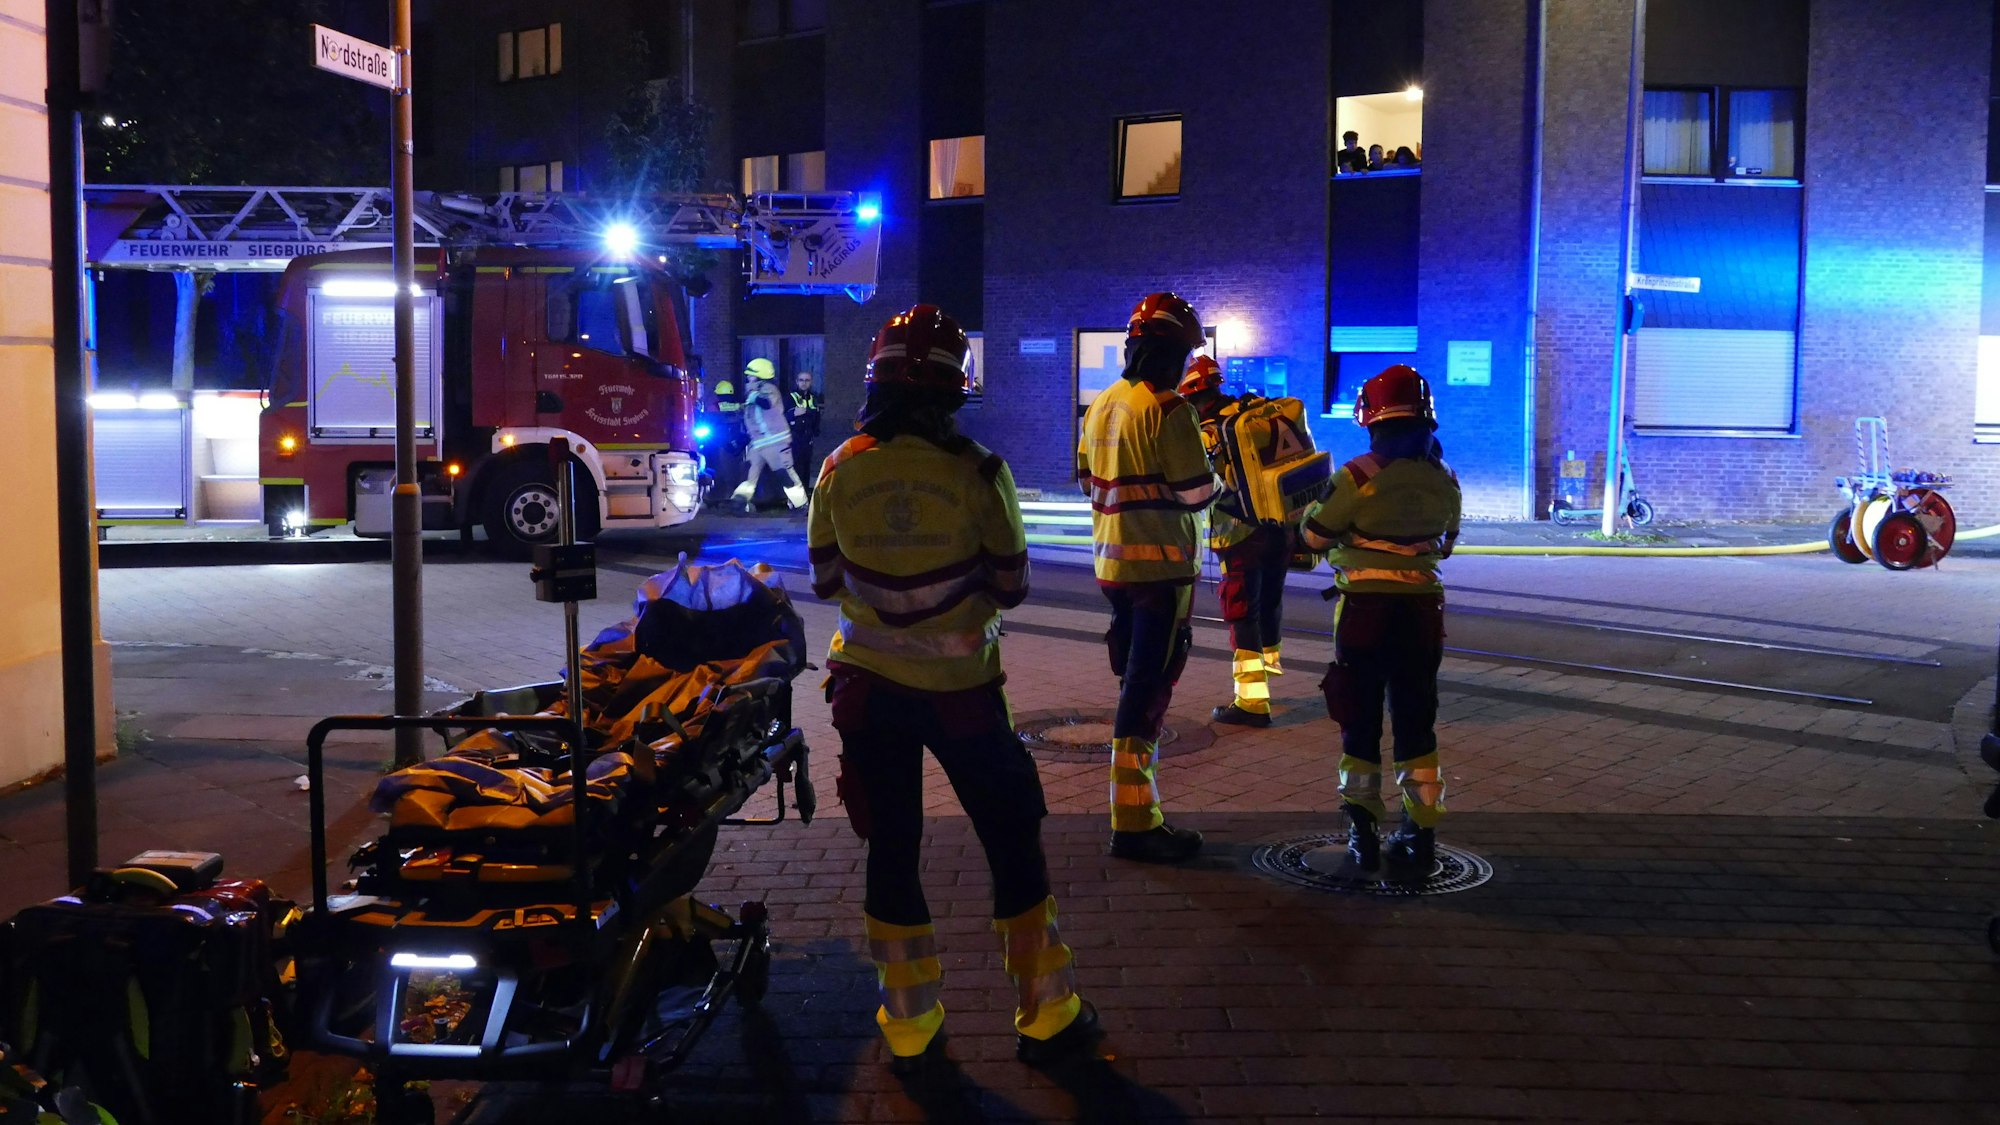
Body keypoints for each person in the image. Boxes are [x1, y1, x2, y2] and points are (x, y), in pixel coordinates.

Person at [810, 304, 1096, 1074]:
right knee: (1011, 843)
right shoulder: (981, 471)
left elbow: (826, 575)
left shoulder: (838, 467)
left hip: (867, 694)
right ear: (952, 387)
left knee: (893, 847)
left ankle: (910, 1026)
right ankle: (1048, 1014)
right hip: (965, 697)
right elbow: (1011, 587)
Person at [1299, 364, 1462, 879]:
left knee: (1360, 721)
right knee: (1418, 723)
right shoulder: (1445, 478)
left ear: (1371, 420)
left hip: (1365, 615)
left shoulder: (1355, 476)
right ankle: (1421, 834)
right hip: (1421, 614)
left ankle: (1362, 834)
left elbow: (1313, 536)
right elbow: (1447, 545)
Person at [1076, 292, 1220, 864]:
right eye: (1185, 354)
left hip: (1113, 567)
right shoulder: (1169, 410)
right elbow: (1197, 491)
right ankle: (1134, 821)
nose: (1186, 366)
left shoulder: (1102, 404)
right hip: (1161, 573)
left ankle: (1135, 816)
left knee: (1132, 680)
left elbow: (1089, 482)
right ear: (1168, 353)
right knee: (1147, 691)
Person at [1177, 355, 1288, 728]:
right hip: (1277, 523)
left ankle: (1252, 702)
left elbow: (1201, 484)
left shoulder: (1209, 432)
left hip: (1239, 533)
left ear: (1193, 394)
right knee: (1269, 598)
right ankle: (1270, 667)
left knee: (1241, 611)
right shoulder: (1249, 412)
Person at [731, 359, 807, 511]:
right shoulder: (752, 393)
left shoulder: (769, 389)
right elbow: (752, 420)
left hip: (775, 442)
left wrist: (753, 398)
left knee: (785, 474)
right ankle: (740, 501)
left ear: (760, 375)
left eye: (751, 375)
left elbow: (766, 403)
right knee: (749, 473)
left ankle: (801, 504)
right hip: (759, 443)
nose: (748, 378)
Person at [787, 369, 823, 489]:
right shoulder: (790, 397)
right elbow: (783, 415)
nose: (804, 383)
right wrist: (794, 414)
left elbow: (816, 415)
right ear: (797, 382)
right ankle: (795, 496)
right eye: (801, 380)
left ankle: (805, 492)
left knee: (806, 466)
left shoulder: (813, 397)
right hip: (794, 437)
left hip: (808, 437)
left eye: (807, 380)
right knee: (795, 467)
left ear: (811, 382)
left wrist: (815, 430)